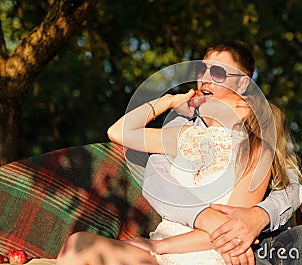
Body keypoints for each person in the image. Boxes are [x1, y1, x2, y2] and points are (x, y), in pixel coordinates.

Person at [57, 73, 277, 264]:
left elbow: (231, 231)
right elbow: (118, 131)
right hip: (160, 249)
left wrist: (160, 247)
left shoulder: (257, 152)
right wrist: (169, 101)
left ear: (245, 107)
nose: (204, 84)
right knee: (79, 244)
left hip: (207, 252)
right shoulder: (185, 136)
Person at [142, 40, 302, 265]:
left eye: (219, 72)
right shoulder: (183, 122)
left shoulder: (262, 120)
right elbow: (156, 176)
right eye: (202, 69)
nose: (206, 78)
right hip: (213, 238)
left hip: (267, 239)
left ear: (242, 85)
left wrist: (261, 215)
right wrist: (210, 221)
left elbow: (291, 183)